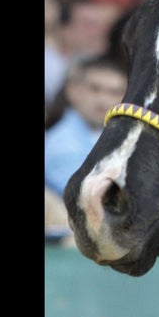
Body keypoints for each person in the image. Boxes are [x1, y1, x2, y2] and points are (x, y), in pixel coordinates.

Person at [45, 53, 129, 205]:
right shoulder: (61, 143)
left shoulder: (119, 135)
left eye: (114, 92)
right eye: (95, 89)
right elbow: (91, 201)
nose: (103, 100)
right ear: (73, 91)